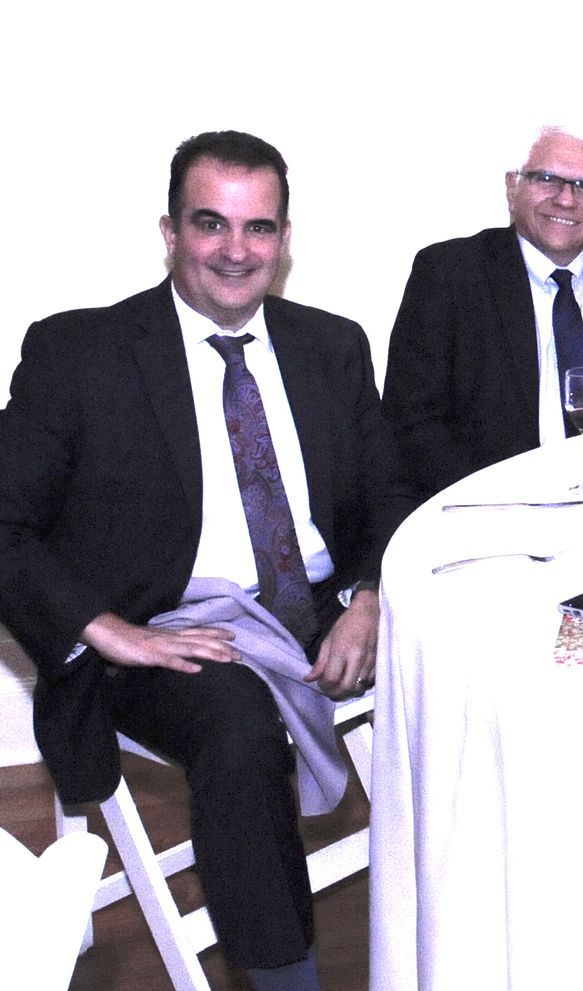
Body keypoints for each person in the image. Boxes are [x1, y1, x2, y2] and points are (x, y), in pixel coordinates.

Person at [0, 131, 414, 991]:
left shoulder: (331, 344)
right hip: (165, 627)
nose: (236, 249)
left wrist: (371, 595)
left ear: (284, 239)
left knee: (485, 666)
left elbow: (390, 493)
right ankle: (286, 977)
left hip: (321, 604)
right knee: (237, 730)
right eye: (210, 223)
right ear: (170, 231)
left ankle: (473, 932)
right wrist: (106, 629)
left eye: (258, 227)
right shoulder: (79, 353)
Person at [383, 126, 583, 499]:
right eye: (547, 179)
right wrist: (504, 498)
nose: (566, 199)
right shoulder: (449, 275)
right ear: (513, 188)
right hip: (493, 505)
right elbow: (412, 423)